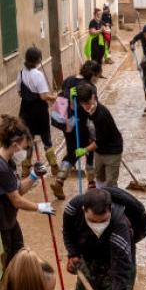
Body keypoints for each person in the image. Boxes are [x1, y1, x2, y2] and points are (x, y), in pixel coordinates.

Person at [0, 115, 55, 285]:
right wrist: (39, 207)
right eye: (25, 147)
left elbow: (17, 189)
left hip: (9, 221)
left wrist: (34, 176)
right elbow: (17, 200)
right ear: (15, 144)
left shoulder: (8, 163)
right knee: (2, 268)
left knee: (19, 259)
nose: (25, 152)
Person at [49, 60, 102, 200]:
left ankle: (59, 181)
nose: (97, 79)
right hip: (82, 125)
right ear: (93, 75)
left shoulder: (68, 80)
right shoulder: (90, 87)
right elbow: (93, 108)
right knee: (89, 151)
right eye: (97, 76)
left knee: (72, 152)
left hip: (67, 124)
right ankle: (91, 186)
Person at [16, 47, 60, 173]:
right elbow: (43, 96)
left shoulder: (20, 73)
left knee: (27, 139)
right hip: (39, 112)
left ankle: (25, 169)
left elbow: (19, 92)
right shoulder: (38, 75)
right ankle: (54, 166)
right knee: (46, 138)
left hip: (25, 111)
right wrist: (54, 97)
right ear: (39, 60)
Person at [74, 83, 124, 188]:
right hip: (99, 151)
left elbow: (100, 142)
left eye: (87, 103)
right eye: (83, 104)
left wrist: (85, 150)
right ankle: (101, 199)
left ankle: (113, 202)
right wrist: (71, 98)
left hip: (112, 151)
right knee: (99, 178)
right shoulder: (83, 107)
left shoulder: (102, 115)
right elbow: (72, 109)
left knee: (110, 183)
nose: (86, 107)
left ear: (93, 97)